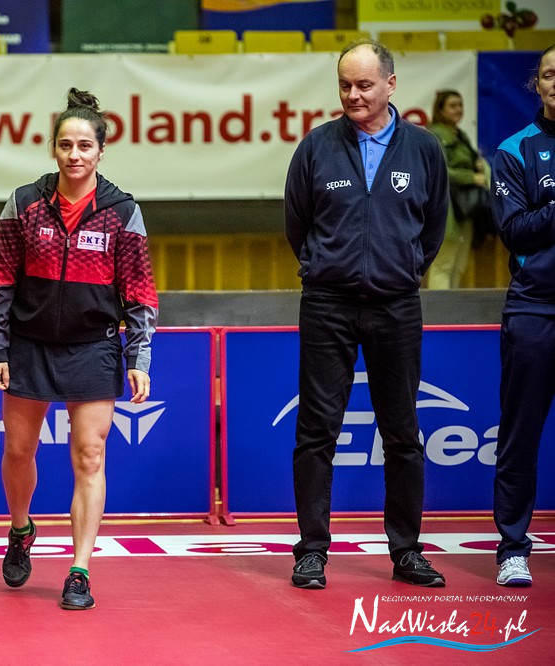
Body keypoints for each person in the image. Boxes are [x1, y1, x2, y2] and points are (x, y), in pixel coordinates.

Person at [0, 88, 158, 610]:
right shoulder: (25, 203)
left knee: (90, 454)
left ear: (101, 151)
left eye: (85, 146)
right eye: (66, 145)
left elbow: (140, 290)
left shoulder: (121, 211)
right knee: (19, 451)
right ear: (53, 148)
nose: (75, 155)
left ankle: (79, 569)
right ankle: (21, 528)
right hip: (29, 344)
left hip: (93, 347)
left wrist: (139, 357)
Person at [283, 41, 449, 589]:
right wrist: (324, 268)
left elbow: (433, 226)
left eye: (364, 85)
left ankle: (406, 552)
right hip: (327, 305)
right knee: (316, 431)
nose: (353, 95)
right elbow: (297, 224)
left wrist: (404, 269)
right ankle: (311, 551)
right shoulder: (315, 147)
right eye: (344, 86)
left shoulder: (424, 148)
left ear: (391, 85)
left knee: (402, 433)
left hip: (396, 307)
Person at [490, 44, 555, 588]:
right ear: (538, 84)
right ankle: (513, 548)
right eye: (550, 75)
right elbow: (515, 231)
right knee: (520, 435)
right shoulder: (515, 151)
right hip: (536, 309)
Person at [426, 89, 490, 289]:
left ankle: (451, 308)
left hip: (465, 208)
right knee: (443, 265)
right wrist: (472, 177)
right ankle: (439, 309)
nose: (458, 110)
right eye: (452, 106)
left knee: (458, 266)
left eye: (460, 105)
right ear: (440, 110)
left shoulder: (460, 134)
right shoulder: (435, 134)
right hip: (447, 209)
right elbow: (440, 170)